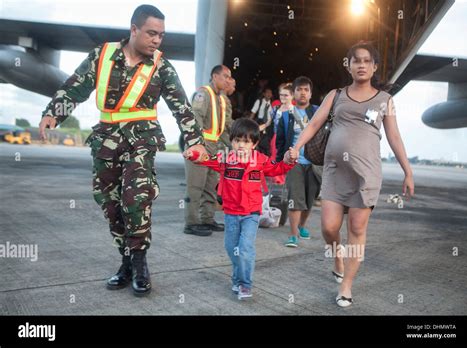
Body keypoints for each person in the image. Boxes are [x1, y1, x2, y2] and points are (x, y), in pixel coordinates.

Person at [38, 4, 207, 297]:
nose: (157, 40)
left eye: (161, 35)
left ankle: (140, 264)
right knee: (110, 203)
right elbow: (75, 87)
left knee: (136, 199)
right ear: (134, 30)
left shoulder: (161, 67)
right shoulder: (101, 56)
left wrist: (196, 141)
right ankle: (126, 262)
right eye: (152, 33)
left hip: (142, 139)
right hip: (106, 140)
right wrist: (55, 111)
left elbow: (182, 107)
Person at [293, 41, 415, 307]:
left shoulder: (385, 100)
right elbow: (314, 123)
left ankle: (346, 286)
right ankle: (337, 255)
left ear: (375, 66)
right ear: (348, 66)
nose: (361, 65)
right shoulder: (335, 95)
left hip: (367, 174)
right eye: (356, 60)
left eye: (366, 61)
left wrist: (408, 171)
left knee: (357, 229)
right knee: (328, 228)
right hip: (335, 172)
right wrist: (297, 146)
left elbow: (394, 136)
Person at [184, 118, 297, 300]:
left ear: (255, 143)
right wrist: (193, 154)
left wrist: (289, 160)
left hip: (251, 213)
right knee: (231, 248)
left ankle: (245, 284)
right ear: (232, 141)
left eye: (246, 141)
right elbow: (206, 160)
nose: (241, 145)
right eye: (237, 140)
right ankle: (237, 279)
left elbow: (277, 169)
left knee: (244, 249)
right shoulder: (226, 159)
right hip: (230, 214)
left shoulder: (260, 160)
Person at [184, 65, 232, 236]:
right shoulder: (203, 94)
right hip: (200, 145)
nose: (228, 80)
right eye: (225, 76)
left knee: (210, 186)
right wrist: (197, 145)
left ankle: (207, 219)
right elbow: (195, 119)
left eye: (229, 77)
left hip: (214, 147)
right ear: (214, 76)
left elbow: (224, 129)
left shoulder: (222, 100)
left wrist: (233, 146)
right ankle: (191, 223)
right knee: (195, 186)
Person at [276, 76, 320, 247]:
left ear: (310, 93)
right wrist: (280, 163)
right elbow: (280, 141)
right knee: (296, 198)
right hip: (294, 163)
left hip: (315, 163)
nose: (302, 93)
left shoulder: (318, 112)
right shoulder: (286, 116)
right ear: (293, 93)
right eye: (299, 89)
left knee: (310, 199)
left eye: (306, 90)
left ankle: (302, 225)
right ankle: (293, 234)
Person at [250, 87, 273, 156]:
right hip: (259, 123)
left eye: (270, 93)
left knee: (268, 141)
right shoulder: (259, 101)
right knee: (259, 141)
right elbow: (253, 112)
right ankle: (258, 155)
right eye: (267, 92)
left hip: (269, 125)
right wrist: (248, 124)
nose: (269, 94)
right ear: (264, 94)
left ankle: (266, 157)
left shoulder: (273, 104)